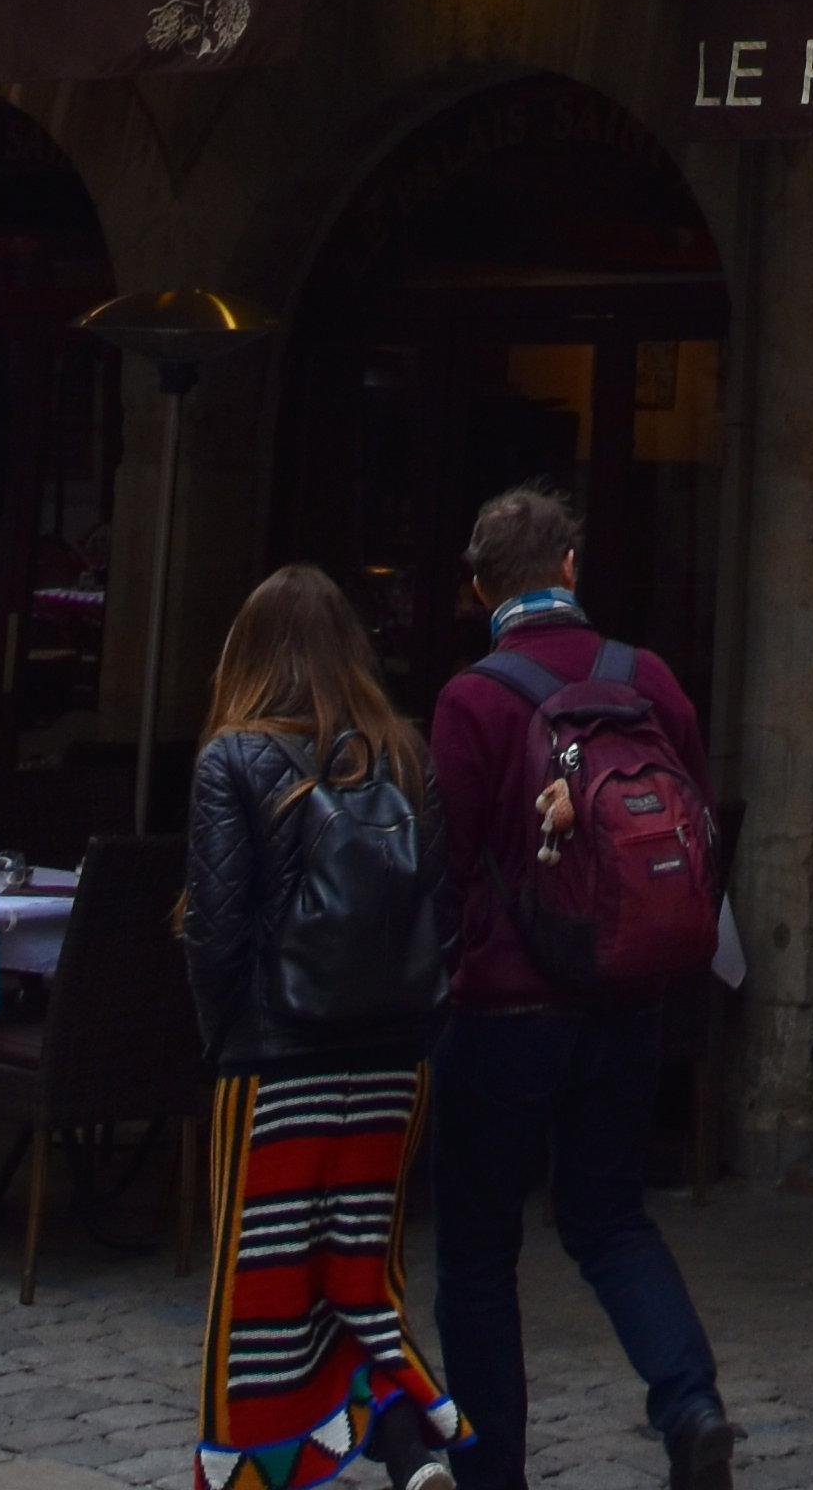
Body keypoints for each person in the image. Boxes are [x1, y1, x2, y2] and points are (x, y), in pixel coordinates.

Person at [428, 482, 734, 1490]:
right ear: (570, 570)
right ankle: (689, 1404)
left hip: (506, 1008)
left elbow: (452, 858)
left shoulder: (472, 699)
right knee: (608, 1217)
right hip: (623, 996)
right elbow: (693, 817)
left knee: (477, 1252)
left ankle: (492, 1474)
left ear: (481, 591)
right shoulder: (646, 679)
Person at [181, 565, 462, 1490]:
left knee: (258, 1298)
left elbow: (217, 931)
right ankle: (407, 1446)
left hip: (274, 1065)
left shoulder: (233, 758)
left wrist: (222, 1040)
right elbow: (440, 906)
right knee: (359, 1277)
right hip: (390, 1067)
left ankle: (247, 1475)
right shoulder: (408, 754)